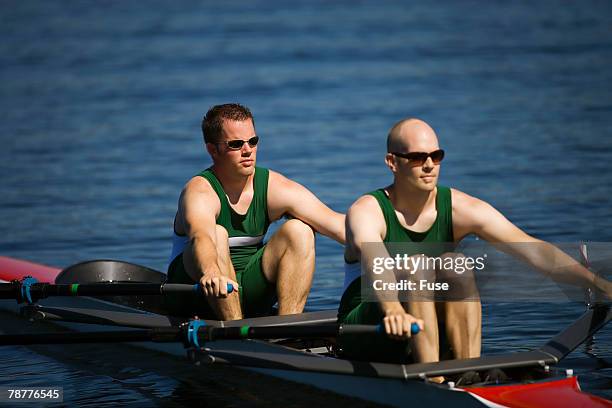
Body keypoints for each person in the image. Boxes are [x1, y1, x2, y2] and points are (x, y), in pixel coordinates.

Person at [339, 118, 612, 376]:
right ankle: (432, 383)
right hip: (370, 327)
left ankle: (467, 373)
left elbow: (534, 250)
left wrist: (598, 284)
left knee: (457, 267)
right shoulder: (367, 211)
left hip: (424, 321)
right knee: (417, 266)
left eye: (437, 156)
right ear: (392, 162)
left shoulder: (462, 208)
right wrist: (393, 310)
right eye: (418, 157)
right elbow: (377, 262)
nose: (429, 165)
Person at [167, 103, 344, 320]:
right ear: (213, 150)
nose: (248, 150)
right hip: (197, 293)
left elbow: (339, 226)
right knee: (218, 233)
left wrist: (392, 250)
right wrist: (211, 272)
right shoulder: (200, 191)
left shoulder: (274, 187)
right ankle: (235, 333)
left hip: (245, 291)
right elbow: (200, 237)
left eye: (253, 141)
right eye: (236, 144)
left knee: (300, 231)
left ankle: (287, 329)